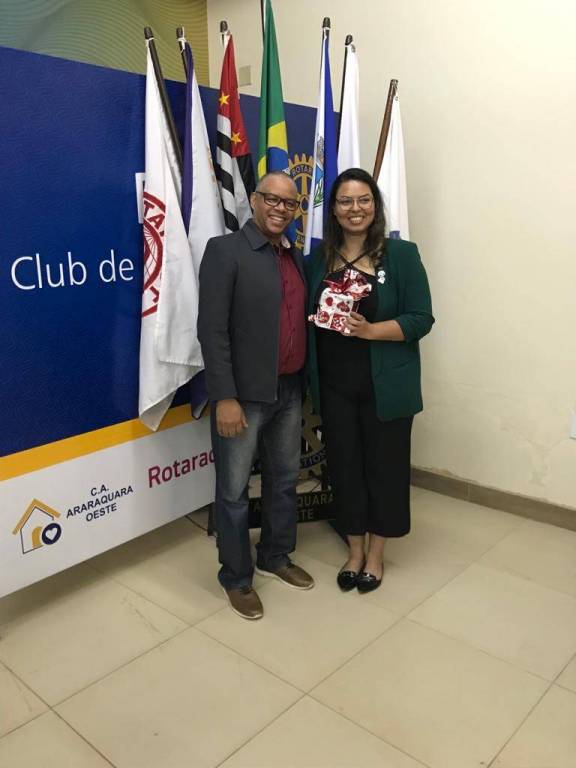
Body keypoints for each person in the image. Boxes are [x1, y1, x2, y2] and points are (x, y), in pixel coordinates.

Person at [306, 167, 434, 593]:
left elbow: (421, 318)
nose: (355, 208)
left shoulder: (401, 255)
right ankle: (354, 550)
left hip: (386, 387)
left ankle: (376, 555)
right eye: (345, 201)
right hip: (334, 386)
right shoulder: (317, 260)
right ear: (334, 210)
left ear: (375, 207)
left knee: (385, 469)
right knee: (345, 468)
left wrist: (370, 330)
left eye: (363, 200)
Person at [198, 171, 314, 620]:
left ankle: (275, 555)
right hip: (242, 397)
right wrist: (224, 396)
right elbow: (212, 330)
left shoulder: (294, 255)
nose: (281, 209)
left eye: (290, 203)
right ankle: (236, 577)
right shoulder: (225, 251)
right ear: (254, 199)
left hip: (289, 389)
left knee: (284, 480)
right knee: (233, 491)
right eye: (272, 199)